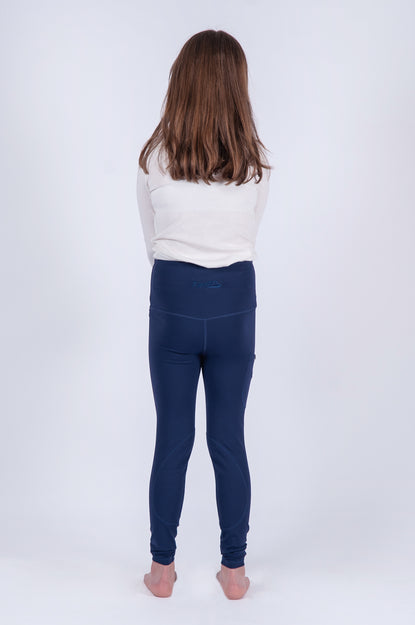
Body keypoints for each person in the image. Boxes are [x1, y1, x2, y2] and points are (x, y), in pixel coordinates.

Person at [136, 29, 272, 600]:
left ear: (182, 84)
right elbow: (247, 236)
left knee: (173, 438)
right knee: (228, 440)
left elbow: (153, 242)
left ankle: (162, 571)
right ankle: (234, 573)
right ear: (237, 88)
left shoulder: (154, 160)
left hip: (173, 301)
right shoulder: (256, 166)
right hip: (235, 304)